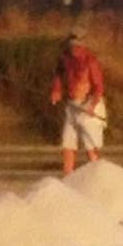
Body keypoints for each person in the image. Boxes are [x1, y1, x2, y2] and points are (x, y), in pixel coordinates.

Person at [51, 35, 108, 174]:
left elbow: (98, 86)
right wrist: (56, 91)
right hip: (72, 106)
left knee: (91, 148)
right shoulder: (65, 60)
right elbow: (59, 77)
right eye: (72, 46)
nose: (74, 49)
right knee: (67, 145)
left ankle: (98, 178)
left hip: (88, 106)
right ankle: (68, 179)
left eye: (77, 46)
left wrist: (92, 105)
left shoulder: (91, 62)